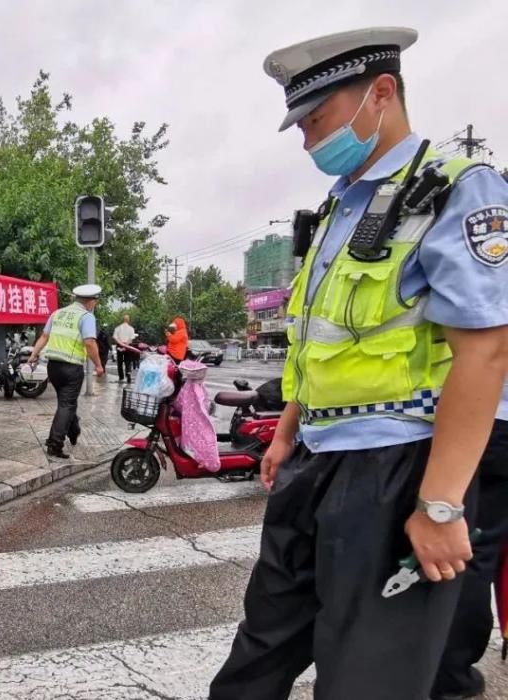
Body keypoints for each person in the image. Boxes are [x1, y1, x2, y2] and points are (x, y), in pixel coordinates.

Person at [209, 28, 508, 700]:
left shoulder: (453, 190)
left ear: (381, 93)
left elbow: (485, 352)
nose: (311, 142)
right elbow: (321, 344)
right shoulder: (337, 208)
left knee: (365, 679)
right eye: (302, 129)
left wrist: (439, 505)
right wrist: (288, 431)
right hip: (317, 461)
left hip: (396, 466)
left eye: (318, 120)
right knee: (256, 658)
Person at [433, 410, 508, 700]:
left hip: (446, 420)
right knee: (472, 553)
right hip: (495, 426)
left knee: (441, 546)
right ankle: (448, 677)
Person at [27, 285, 105, 459]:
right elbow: (90, 343)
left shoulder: (57, 313)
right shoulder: (86, 316)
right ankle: (54, 444)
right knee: (66, 405)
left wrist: (34, 354)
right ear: (91, 301)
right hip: (71, 368)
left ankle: (74, 430)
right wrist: (98, 365)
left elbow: (44, 337)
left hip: (53, 367)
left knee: (67, 402)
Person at [113, 314, 137, 383]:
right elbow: (131, 339)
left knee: (119, 362)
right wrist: (126, 344)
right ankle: (128, 373)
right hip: (128, 346)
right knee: (128, 361)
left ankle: (121, 377)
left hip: (119, 345)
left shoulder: (117, 328)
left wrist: (121, 343)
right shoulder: (131, 328)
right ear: (128, 320)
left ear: (123, 319)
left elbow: (115, 337)